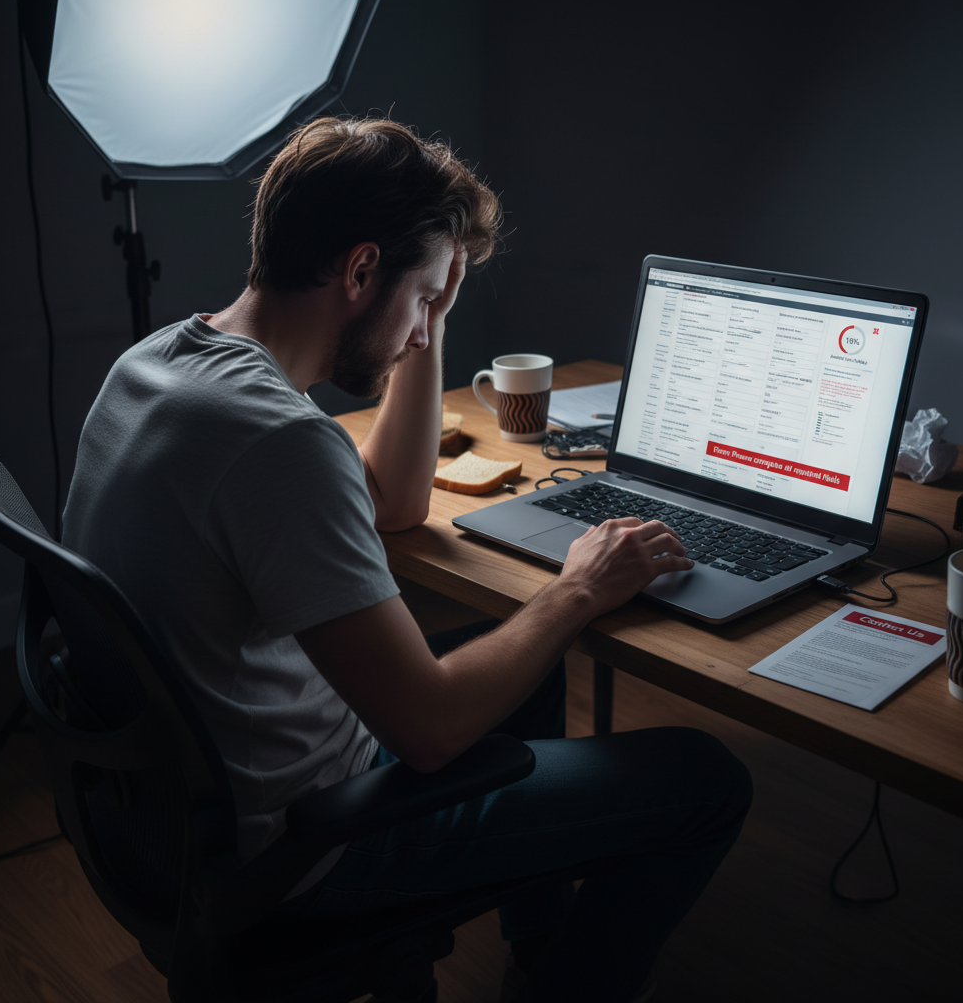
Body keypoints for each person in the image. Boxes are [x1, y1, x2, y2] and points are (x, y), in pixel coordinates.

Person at [64, 116, 752, 1002]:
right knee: (705, 781)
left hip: (163, 820)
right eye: (425, 298)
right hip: (302, 844)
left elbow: (396, 501)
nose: (425, 330)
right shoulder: (280, 445)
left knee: (528, 670)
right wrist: (578, 588)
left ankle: (539, 941)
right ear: (358, 271)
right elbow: (426, 731)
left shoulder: (161, 364)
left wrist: (429, 311)